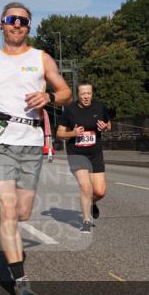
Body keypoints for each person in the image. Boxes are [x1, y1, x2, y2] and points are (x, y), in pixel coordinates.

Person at [0, 2, 71, 295]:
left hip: (30, 140)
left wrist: (50, 96)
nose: (17, 25)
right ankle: (20, 282)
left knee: (22, 212)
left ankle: (4, 218)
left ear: (29, 26)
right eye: (12, 20)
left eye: (23, 21)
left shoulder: (41, 58)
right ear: (1, 24)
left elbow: (65, 92)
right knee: (10, 206)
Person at [56, 82, 112, 234]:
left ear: (92, 93)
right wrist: (72, 134)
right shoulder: (70, 110)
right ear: (78, 95)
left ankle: (90, 202)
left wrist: (104, 126)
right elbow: (59, 133)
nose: (86, 96)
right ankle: (86, 221)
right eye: (83, 94)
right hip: (76, 153)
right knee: (86, 187)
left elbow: (109, 124)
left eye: (89, 93)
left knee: (100, 191)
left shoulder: (100, 107)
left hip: (95, 153)